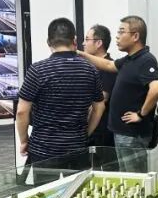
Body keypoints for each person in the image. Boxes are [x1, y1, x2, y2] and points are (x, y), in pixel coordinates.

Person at [15, 17, 104, 184]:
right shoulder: (89, 70)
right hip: (77, 147)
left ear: (49, 42)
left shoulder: (38, 70)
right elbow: (99, 107)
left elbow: (21, 111)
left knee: (47, 194)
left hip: (44, 148)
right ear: (74, 41)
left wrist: (24, 140)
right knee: (78, 192)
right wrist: (86, 133)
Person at [79, 15, 158, 174]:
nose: (117, 36)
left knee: (135, 179)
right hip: (122, 133)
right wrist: (81, 54)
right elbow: (108, 64)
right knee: (126, 177)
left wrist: (141, 114)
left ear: (135, 36)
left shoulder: (146, 60)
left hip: (131, 135)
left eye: (121, 31)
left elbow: (156, 88)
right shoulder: (129, 59)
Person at [82, 24, 117, 165]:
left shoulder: (109, 67)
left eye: (87, 39)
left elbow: (101, 100)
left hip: (101, 131)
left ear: (98, 43)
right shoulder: (88, 66)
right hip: (90, 128)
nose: (83, 43)